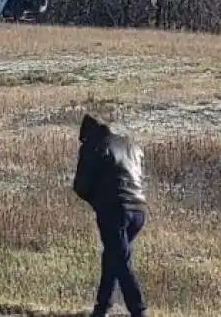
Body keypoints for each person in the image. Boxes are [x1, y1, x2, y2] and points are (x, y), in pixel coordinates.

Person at [73, 114, 149, 317]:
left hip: (115, 209)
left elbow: (80, 186)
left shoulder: (93, 144)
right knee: (113, 256)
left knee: (121, 261)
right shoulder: (130, 144)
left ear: (86, 133)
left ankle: (139, 310)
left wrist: (97, 202)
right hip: (139, 210)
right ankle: (101, 308)